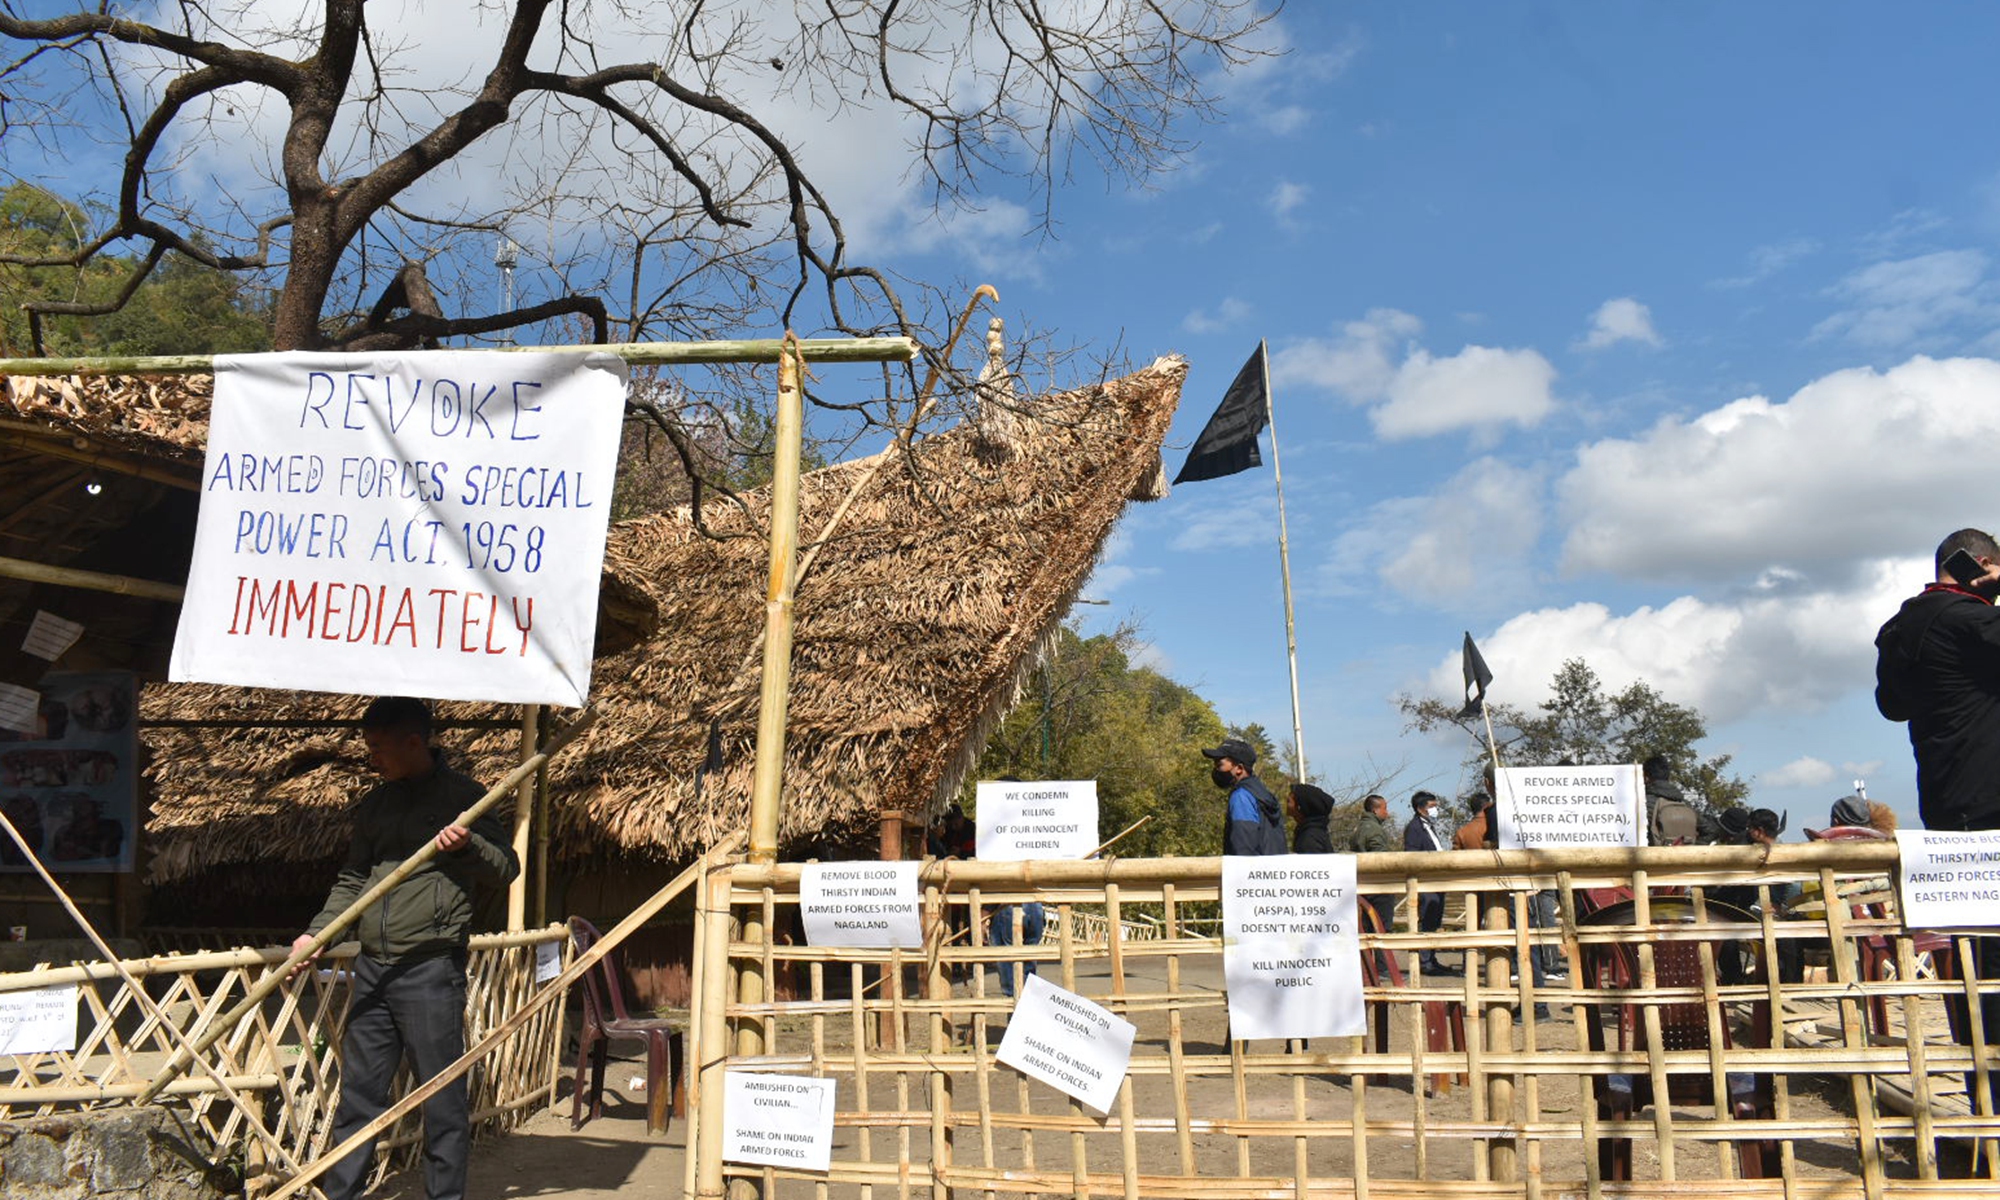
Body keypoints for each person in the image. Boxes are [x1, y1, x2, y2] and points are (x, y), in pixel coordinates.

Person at [296, 697, 518, 1200]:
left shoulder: (468, 798)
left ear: (413, 742)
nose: (372, 757)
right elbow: (353, 880)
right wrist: (318, 933)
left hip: (430, 970)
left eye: (378, 747)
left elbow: (506, 869)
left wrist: (470, 846)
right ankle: (342, 1194)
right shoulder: (377, 805)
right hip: (372, 967)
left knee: (440, 1101)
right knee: (359, 1096)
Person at [1876, 527, 2000, 1132]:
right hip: (1995, 804)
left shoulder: (1902, 629)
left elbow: (1891, 706)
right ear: (1981, 565)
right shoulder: (1970, 622)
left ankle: (1986, 1105)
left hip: (1946, 810)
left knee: (1973, 969)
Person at [1403, 791, 1457, 976]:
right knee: (1426, 920)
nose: (1436, 810)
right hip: (1426, 883)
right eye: (1432, 806)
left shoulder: (1430, 827)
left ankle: (1431, 959)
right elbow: (1412, 854)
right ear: (1420, 808)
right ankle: (1425, 962)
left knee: (1434, 921)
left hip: (1437, 882)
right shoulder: (1414, 828)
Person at [1203, 737, 1285, 855]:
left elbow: (1243, 846)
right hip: (1270, 871)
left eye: (1219, 764)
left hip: (1250, 871)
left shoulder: (1241, 797)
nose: (1215, 770)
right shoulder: (1263, 794)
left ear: (1239, 769)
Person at [1348, 794, 1400, 946]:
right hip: (1379, 887)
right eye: (1385, 808)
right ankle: (1383, 968)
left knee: (1367, 928)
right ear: (1375, 810)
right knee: (1382, 929)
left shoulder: (1357, 829)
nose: (1387, 812)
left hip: (1362, 886)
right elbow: (1381, 860)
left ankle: (1370, 968)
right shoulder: (1375, 830)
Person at [1288, 783, 1335, 853]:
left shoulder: (1310, 839)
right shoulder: (1312, 833)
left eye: (1289, 801)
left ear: (1299, 807)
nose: (1287, 805)